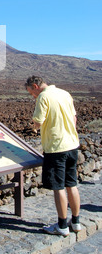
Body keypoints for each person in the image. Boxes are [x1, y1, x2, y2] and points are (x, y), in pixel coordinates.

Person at [25, 75, 81, 236]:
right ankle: (75, 222)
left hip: (56, 148)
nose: (32, 96)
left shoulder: (43, 97)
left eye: (31, 92)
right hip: (72, 145)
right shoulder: (64, 93)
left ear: (35, 86)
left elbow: (38, 121)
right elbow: (74, 118)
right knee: (72, 184)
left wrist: (34, 127)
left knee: (58, 187)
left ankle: (62, 225)